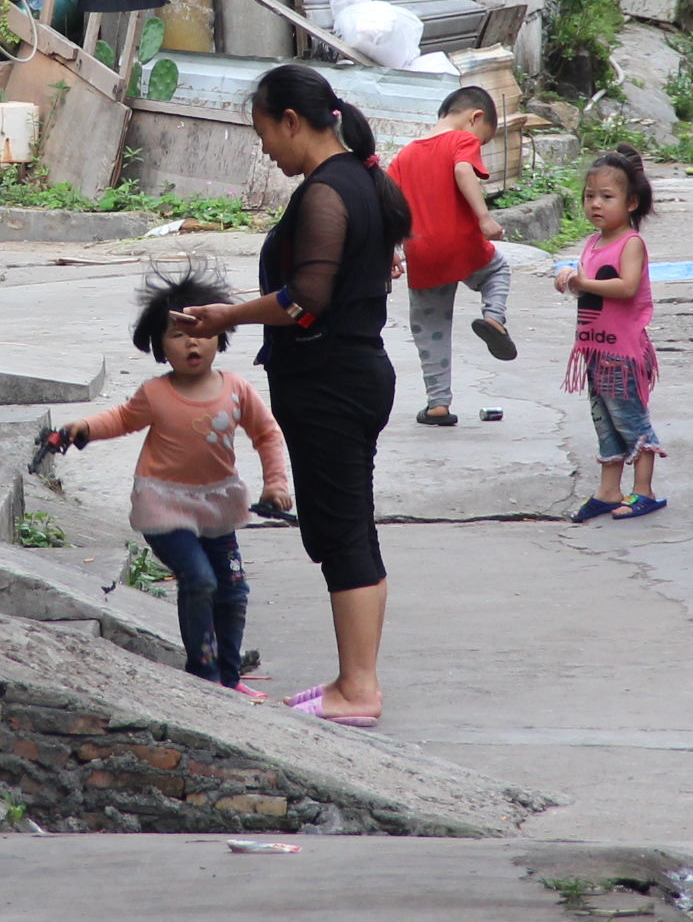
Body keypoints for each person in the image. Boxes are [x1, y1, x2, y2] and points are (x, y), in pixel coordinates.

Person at [167, 65, 408, 727]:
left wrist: (225, 317)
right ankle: (352, 680)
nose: (266, 148)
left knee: (343, 530)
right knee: (345, 527)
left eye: (266, 132)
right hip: (351, 374)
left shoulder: (328, 192)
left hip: (332, 381)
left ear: (293, 122)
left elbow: (307, 301)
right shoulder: (361, 179)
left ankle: (359, 690)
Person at [38, 267, 293, 691]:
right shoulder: (155, 394)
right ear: (159, 346)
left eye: (200, 331)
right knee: (200, 580)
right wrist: (82, 427)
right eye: (177, 334)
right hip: (164, 506)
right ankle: (203, 673)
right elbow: (120, 419)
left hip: (218, 508)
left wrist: (276, 484)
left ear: (220, 334)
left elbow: (267, 434)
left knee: (233, 592)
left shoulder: (237, 389)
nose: (191, 341)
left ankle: (228, 680)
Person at [387, 85, 518, 427]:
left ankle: (438, 406)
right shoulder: (461, 140)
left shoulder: (404, 156)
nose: (480, 148)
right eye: (484, 140)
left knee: (430, 328)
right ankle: (493, 317)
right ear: (475, 118)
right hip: (462, 244)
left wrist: (390, 251)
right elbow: (463, 171)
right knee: (497, 272)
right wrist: (484, 217)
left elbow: (388, 207)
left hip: (423, 253)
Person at [554, 148, 665, 520]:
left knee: (631, 419)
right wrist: (570, 281)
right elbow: (588, 285)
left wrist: (582, 281)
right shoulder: (592, 242)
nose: (595, 204)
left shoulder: (630, 242)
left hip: (622, 351)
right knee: (605, 421)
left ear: (631, 202)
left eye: (606, 196)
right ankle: (608, 489)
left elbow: (627, 286)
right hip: (596, 350)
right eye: (589, 196)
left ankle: (644, 491)